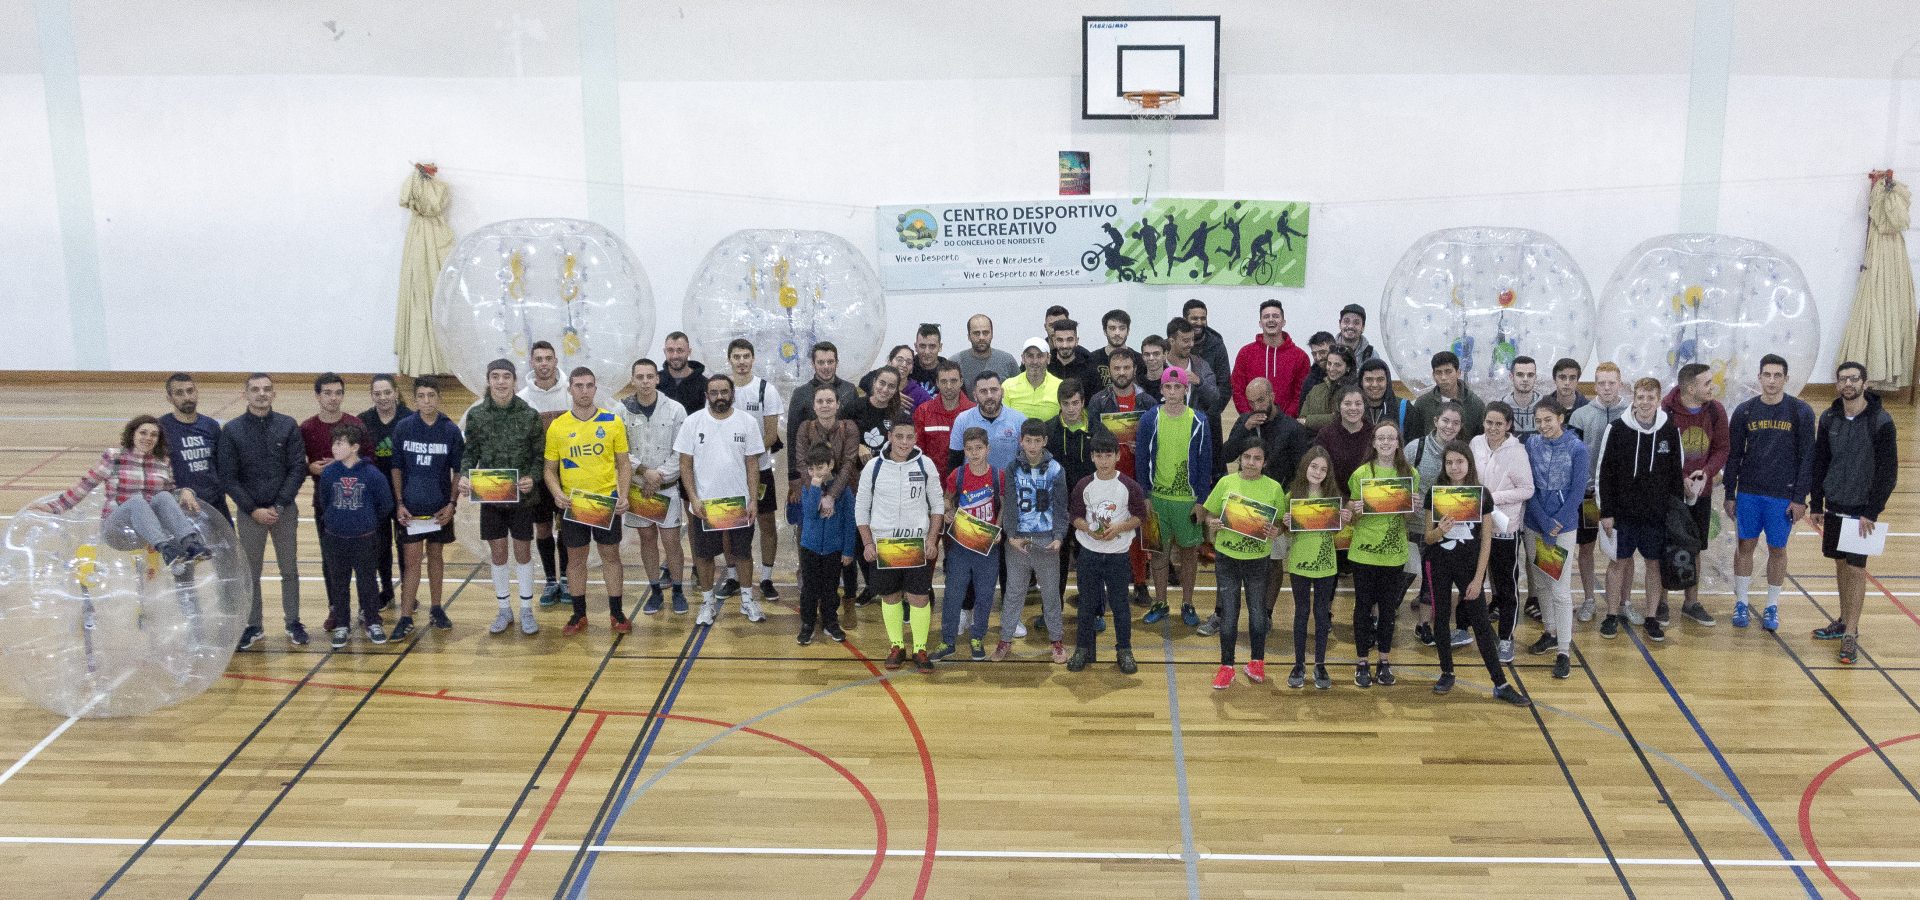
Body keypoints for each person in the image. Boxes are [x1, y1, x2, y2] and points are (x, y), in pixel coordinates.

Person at [1424, 440, 1531, 706]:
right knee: (1440, 620)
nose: (1454, 467)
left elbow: (1486, 541)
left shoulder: (1481, 494)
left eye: (1459, 461)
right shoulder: (1435, 494)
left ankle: (1500, 683)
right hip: (1439, 564)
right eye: (1449, 462)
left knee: (1481, 623)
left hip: (1469, 568)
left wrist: (1478, 578)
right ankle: (1447, 672)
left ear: (1469, 463)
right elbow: (1428, 537)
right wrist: (1440, 531)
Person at [1808, 361, 1899, 665]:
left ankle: (1851, 633)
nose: (1848, 384)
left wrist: (1872, 511)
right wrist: (1817, 503)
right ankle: (1844, 620)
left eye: (1854, 379)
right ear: (1837, 384)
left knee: (1857, 569)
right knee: (1840, 563)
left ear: (1865, 383)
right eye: (1843, 379)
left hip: (1863, 511)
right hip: (1835, 504)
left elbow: (1888, 473)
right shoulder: (1829, 417)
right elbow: (1820, 462)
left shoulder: (1881, 422)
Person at [36, 415, 212, 570]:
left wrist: (185, 492)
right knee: (137, 501)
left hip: (146, 531)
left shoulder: (162, 461)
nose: (148, 438)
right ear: (133, 434)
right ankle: (166, 549)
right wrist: (55, 507)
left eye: (153, 435)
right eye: (143, 433)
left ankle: (191, 544)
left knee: (164, 496)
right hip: (117, 528)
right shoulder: (114, 457)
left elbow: (168, 497)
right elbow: (86, 484)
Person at [1723, 354, 1816, 631]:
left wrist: (1800, 498)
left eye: (1777, 375)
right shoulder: (1745, 411)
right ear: (1759, 377)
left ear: (1786, 379)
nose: (1772, 381)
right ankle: (1741, 602)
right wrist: (1730, 492)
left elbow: (1807, 458)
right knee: (1745, 547)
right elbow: (1734, 455)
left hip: (1782, 496)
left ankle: (1772, 606)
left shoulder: (1800, 412)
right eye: (1767, 375)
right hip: (1749, 492)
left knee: (1777, 549)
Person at [218, 374, 308, 649]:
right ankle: (254, 625)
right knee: (251, 572)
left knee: (289, 569)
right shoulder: (232, 430)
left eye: (267, 389)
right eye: (255, 389)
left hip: (284, 511)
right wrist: (253, 509)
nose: (261, 394)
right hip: (250, 514)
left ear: (274, 394)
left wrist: (279, 505)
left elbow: (297, 468)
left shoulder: (287, 425)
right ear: (245, 394)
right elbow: (229, 476)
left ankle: (293, 622)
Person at [544, 367, 634, 636]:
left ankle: (617, 613)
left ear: (595, 388)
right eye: (579, 386)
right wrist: (557, 493)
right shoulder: (558, 426)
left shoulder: (612, 421)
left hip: (606, 502)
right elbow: (549, 470)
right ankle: (578, 614)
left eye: (589, 385)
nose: (584, 391)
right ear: (570, 389)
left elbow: (624, 464)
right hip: (574, 505)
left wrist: (623, 495)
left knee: (611, 557)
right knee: (575, 560)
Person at [1595, 377, 1684, 643]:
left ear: (1659, 400)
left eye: (1650, 398)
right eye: (1641, 397)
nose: (1645, 403)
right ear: (1634, 399)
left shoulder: (1670, 430)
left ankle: (1651, 617)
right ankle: (1611, 615)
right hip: (1622, 514)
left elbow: (1676, 475)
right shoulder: (1617, 428)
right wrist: (1606, 511)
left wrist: (1675, 515)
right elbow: (1604, 472)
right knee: (1617, 563)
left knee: (1654, 565)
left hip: (1657, 516)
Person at [460, 359, 545, 636]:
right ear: (488, 380)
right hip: (491, 496)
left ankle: (526, 609)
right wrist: (465, 475)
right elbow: (470, 452)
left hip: (521, 498)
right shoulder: (477, 415)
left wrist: (533, 477)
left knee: (522, 553)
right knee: (497, 554)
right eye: (495, 376)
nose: (500, 381)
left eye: (506, 376)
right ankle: (504, 609)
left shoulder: (529, 414)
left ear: (514, 381)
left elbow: (539, 456)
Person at [855, 419, 945, 674]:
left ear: (916, 438)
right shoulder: (873, 467)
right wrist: (867, 542)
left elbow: (938, 506)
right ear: (890, 437)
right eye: (899, 436)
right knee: (890, 596)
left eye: (909, 437)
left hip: (916, 544)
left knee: (919, 597)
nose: (904, 442)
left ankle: (920, 648)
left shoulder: (925, 465)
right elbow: (861, 508)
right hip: (885, 545)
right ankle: (896, 646)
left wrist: (931, 540)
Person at [1198, 436, 1284, 690]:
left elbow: (1281, 522)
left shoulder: (1274, 488)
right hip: (1227, 559)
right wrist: (1212, 522)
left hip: (1258, 560)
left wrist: (1277, 530)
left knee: (1258, 612)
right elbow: (1209, 513)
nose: (1251, 462)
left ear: (1265, 462)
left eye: (1257, 458)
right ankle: (1227, 666)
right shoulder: (1226, 482)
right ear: (1240, 458)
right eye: (1247, 457)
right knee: (1229, 613)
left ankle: (1257, 662)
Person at [677, 374, 763, 628]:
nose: (719, 397)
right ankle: (707, 603)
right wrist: (693, 498)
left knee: (743, 553)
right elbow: (685, 465)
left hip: (738, 503)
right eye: (714, 393)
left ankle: (747, 600)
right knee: (704, 556)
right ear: (707, 396)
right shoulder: (692, 422)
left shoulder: (747, 422)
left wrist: (753, 500)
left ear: (732, 394)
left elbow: (752, 464)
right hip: (705, 505)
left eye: (724, 392)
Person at [389, 376, 464, 640]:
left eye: (431, 395)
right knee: (411, 562)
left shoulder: (450, 430)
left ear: (439, 397)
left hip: (439, 509)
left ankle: (436, 608)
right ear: (415, 399)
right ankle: (405, 616)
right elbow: (396, 467)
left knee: (436, 557)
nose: (427, 401)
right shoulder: (404, 428)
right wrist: (400, 503)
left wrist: (452, 504)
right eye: (421, 396)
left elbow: (458, 471)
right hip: (411, 509)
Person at [1137, 366, 1212, 628]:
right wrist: (1145, 494)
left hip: (1187, 501)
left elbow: (1205, 463)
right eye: (1167, 387)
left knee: (1189, 554)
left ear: (1185, 389)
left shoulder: (1199, 421)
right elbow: (1142, 459)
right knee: (1158, 553)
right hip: (1156, 499)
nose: (1172, 392)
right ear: (1161, 389)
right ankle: (1160, 602)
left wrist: (1201, 501)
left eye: (1177, 387)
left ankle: (1187, 603)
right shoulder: (1150, 419)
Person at [1344, 420, 1417, 687]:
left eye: (1391, 438)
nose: (1386, 442)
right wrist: (1354, 511)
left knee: (1388, 609)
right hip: (1364, 552)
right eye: (1381, 438)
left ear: (1398, 443)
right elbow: (1351, 517)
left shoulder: (1410, 474)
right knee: (1363, 607)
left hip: (1394, 553)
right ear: (1373, 443)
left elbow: (1409, 517)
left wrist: (1412, 507)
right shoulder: (1361, 474)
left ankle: (1384, 661)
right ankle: (1362, 661)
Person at [1067, 434, 1146, 674]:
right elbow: (1075, 516)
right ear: (1092, 457)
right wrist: (1088, 529)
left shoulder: (1129, 486)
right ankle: (1082, 649)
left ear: (1118, 456)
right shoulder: (1084, 485)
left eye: (1108, 455)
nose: (1104, 461)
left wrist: (1119, 528)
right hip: (1089, 554)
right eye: (1099, 456)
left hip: (1117, 556)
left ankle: (1124, 650)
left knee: (1120, 605)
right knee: (1086, 605)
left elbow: (1139, 516)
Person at [1660, 362, 1730, 627]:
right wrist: (1680, 480)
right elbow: (1660, 452)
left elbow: (1722, 448)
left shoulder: (1716, 411)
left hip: (1701, 490)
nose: (1713, 387)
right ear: (1690, 388)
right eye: (1707, 383)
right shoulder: (1665, 411)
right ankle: (1661, 602)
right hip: (1670, 492)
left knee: (1696, 545)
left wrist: (1706, 473)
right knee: (1666, 545)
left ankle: (1691, 602)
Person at [312, 423, 394, 648]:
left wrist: (366, 520)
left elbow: (385, 504)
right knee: (339, 583)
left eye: (340, 443)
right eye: (334, 443)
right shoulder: (329, 473)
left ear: (355, 447)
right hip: (335, 538)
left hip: (364, 538)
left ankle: (372, 622)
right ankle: (342, 625)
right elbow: (324, 500)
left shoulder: (372, 474)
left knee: (367, 582)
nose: (334, 448)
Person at [620, 358, 690, 617]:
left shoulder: (675, 410)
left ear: (658, 378)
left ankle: (678, 590)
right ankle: (655, 591)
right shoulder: (621, 410)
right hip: (639, 489)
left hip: (666, 487)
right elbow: (621, 450)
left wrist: (657, 476)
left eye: (650, 376)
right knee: (647, 539)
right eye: (640, 377)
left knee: (671, 541)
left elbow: (681, 451)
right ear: (633, 380)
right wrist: (643, 472)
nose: (645, 382)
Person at [1524, 399, 1588, 678]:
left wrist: (1556, 524)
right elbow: (1529, 487)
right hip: (1535, 524)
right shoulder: (1531, 444)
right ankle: (1549, 632)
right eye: (1538, 421)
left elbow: (1577, 491)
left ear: (1560, 418)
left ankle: (1564, 650)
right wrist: (1543, 521)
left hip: (1562, 528)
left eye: (1548, 419)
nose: (1543, 425)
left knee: (1560, 589)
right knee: (1541, 582)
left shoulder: (1577, 448)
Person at [999, 418, 1069, 663]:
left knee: (1051, 595)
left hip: (1046, 540)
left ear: (1045, 441)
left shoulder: (1056, 469)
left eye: (1037, 441)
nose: (1032, 446)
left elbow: (1061, 506)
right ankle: (1005, 640)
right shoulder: (1012, 468)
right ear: (1021, 441)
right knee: (1013, 593)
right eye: (1028, 440)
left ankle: (1057, 641)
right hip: (1018, 541)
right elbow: (1009, 504)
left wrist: (1059, 536)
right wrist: (1011, 535)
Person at [723, 339, 787, 602]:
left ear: (753, 359)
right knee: (729, 524)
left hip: (759, 469)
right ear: (729, 360)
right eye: (736, 356)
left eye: (746, 356)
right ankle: (732, 577)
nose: (741, 361)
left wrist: (747, 457)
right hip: (728, 472)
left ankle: (767, 578)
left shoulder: (765, 390)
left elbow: (771, 435)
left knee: (766, 522)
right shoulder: (722, 390)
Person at [1470, 402, 1534, 661]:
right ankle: (1464, 628)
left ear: (1508, 425)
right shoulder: (1476, 443)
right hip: (1475, 526)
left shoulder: (1518, 452)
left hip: (1504, 527)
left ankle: (1506, 638)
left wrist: (1491, 498)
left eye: (1499, 423)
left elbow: (1527, 489)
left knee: (1506, 584)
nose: (1493, 428)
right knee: (1472, 578)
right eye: (1489, 422)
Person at [794, 383, 865, 614]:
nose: (825, 405)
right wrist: (818, 494)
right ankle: (810, 601)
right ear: (814, 405)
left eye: (829, 401)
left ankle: (847, 601)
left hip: (844, 491)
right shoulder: (805, 428)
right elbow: (802, 463)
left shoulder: (849, 427)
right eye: (820, 401)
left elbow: (848, 463)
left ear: (838, 404)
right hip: (813, 491)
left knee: (845, 544)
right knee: (810, 538)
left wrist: (832, 496)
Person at [1406, 401, 1471, 649]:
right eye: (1445, 421)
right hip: (1413, 526)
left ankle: (1423, 624)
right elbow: (1400, 479)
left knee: (1430, 580)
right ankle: (1381, 618)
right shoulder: (1416, 448)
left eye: (1455, 423)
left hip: (1445, 529)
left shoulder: (1463, 452)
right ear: (1435, 421)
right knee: (1403, 576)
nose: (1449, 426)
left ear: (1461, 426)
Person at [1569, 362, 1630, 623]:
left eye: (1611, 383)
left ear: (1620, 384)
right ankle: (1589, 600)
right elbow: (1572, 457)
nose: (1606, 388)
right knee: (1586, 547)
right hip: (1589, 496)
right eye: (1601, 383)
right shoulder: (1580, 416)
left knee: (1625, 550)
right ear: (1594, 386)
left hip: (1622, 498)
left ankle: (1624, 602)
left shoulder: (1631, 414)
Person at [1281, 446, 1347, 689]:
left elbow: (1337, 532)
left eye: (1323, 469)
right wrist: (1286, 523)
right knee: (1301, 613)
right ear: (1305, 466)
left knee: (1321, 615)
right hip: (1299, 562)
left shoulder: (1333, 497)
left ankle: (1320, 664)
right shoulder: (1292, 496)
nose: (1318, 472)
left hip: (1326, 564)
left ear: (1328, 473)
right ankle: (1299, 664)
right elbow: (1287, 532)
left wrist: (1344, 521)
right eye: (1314, 466)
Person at [937, 427, 1005, 661]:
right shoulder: (957, 475)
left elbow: (1004, 505)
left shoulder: (998, 475)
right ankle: (947, 640)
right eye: (969, 449)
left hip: (988, 545)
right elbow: (947, 499)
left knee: (985, 595)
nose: (974, 453)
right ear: (964, 451)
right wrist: (948, 511)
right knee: (953, 594)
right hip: (961, 545)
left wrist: (998, 528)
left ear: (988, 449)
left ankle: (978, 637)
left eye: (979, 448)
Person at [521, 341, 575, 607]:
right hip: (538, 476)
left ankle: (566, 578)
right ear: (532, 362)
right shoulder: (523, 398)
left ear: (556, 361)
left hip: (568, 474)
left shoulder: (570, 393)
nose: (544, 363)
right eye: (539, 359)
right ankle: (550, 579)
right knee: (542, 527)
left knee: (565, 525)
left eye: (548, 358)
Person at [299, 373, 361, 605]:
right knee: (330, 559)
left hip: (357, 503)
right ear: (317, 396)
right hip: (325, 504)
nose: (333, 398)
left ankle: (366, 608)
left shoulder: (355, 425)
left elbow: (369, 461)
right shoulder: (307, 428)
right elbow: (296, 464)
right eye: (327, 393)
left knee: (362, 560)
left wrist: (344, 463)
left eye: (338, 393)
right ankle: (335, 608)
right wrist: (310, 468)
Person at [1046, 378, 1106, 609]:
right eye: (1066, 403)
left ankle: (1095, 610)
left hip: (1089, 507)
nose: (1071, 409)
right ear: (1059, 403)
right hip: (1057, 507)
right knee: (1056, 559)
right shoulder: (1049, 430)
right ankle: (1052, 611)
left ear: (1083, 402)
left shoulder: (1098, 430)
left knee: (1090, 559)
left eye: (1075, 403)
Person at [359, 374, 411, 608]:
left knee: (405, 545)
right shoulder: (363, 421)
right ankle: (387, 590)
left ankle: (409, 592)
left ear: (396, 393)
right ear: (371, 396)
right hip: (375, 496)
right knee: (380, 545)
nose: (383, 398)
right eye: (377, 393)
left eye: (387, 392)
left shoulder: (409, 418)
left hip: (405, 494)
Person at [796, 443, 855, 645]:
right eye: (811, 469)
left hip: (833, 549)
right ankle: (807, 623)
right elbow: (810, 512)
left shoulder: (843, 490)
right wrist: (815, 487)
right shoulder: (808, 488)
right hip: (810, 548)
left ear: (830, 465)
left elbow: (850, 521)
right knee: (809, 589)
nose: (816, 473)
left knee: (831, 589)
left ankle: (830, 621)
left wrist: (848, 550)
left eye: (820, 467)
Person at [784, 341, 861, 481]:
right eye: (821, 362)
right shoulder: (800, 394)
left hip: (844, 469)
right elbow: (792, 436)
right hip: (812, 470)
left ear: (837, 363)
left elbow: (857, 427)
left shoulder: (849, 390)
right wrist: (793, 476)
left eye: (830, 362)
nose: (826, 367)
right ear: (813, 364)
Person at [159, 373, 228, 523]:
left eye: (190, 391)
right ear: (169, 398)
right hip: (179, 505)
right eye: (179, 393)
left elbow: (222, 464)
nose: (187, 397)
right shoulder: (161, 428)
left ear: (196, 393)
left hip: (215, 504)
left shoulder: (211, 425)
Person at [1232, 299, 1311, 416]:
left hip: (1287, 422)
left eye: (1275, 316)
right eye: (1266, 317)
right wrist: (1250, 416)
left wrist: (1284, 421)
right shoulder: (1245, 353)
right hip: (1252, 421)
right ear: (1260, 323)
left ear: (1283, 322)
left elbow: (1300, 394)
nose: (1271, 320)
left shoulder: (1300, 357)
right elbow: (1238, 390)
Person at [950, 371, 1026, 474]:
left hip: (1008, 482)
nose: (989, 396)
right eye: (983, 391)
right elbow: (955, 461)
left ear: (1002, 392)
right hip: (973, 483)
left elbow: (1027, 459)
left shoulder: (1019, 420)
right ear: (975, 395)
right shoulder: (962, 420)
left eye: (994, 390)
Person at [914, 360, 974, 482]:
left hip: (967, 482)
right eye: (944, 381)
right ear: (937, 383)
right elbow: (917, 451)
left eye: (953, 381)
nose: (949, 386)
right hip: (932, 482)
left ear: (961, 382)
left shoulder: (973, 412)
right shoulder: (923, 412)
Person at [1410, 351, 1487, 442]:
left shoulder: (1475, 404)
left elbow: (1481, 441)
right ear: (1433, 375)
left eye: (1448, 372)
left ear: (1458, 373)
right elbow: (1415, 440)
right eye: (1438, 372)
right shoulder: (1423, 403)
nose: (1443, 377)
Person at [1181, 299, 1235, 418]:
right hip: (1176, 417)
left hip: (1209, 419)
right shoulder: (1172, 345)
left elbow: (1224, 387)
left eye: (1203, 318)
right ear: (1184, 320)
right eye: (1194, 318)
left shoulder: (1217, 346)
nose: (1199, 322)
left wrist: (1209, 415)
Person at [1313, 384, 1372, 487]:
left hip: (1368, 492)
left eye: (1358, 404)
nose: (1353, 408)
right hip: (1333, 492)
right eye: (1347, 404)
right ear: (1338, 406)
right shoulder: (1326, 434)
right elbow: (1318, 468)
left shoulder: (1374, 433)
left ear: (1364, 406)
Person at [955, 313, 1019, 398]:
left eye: (985, 333)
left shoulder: (1008, 361)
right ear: (969, 336)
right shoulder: (956, 363)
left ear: (992, 334)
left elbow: (1019, 393)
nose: (981, 337)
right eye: (976, 333)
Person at [1004, 337, 1064, 423]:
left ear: (1048, 358)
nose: (1035, 361)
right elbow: (1004, 421)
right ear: (1023, 358)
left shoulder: (1060, 387)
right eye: (1030, 356)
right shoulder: (1008, 386)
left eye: (1040, 356)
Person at [1298, 345, 1355, 430]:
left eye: (1337, 365)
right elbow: (1301, 419)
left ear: (1348, 368)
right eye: (1329, 363)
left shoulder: (1354, 391)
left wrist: (1308, 421)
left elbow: (1341, 419)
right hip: (1311, 437)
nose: (1331, 368)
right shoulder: (1316, 389)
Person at [657, 330, 710, 421]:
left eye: (680, 350)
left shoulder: (704, 384)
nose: (675, 356)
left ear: (689, 352)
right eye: (670, 350)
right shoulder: (655, 382)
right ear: (664, 352)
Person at [862, 345, 934, 410]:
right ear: (889, 362)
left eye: (909, 362)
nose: (904, 365)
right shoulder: (876, 386)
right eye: (899, 360)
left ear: (912, 369)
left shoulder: (921, 396)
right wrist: (890, 396)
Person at [1047, 318, 1101, 393]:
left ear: (1077, 341)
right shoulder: (1045, 365)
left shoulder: (1089, 366)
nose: (1065, 345)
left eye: (1069, 340)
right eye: (1060, 340)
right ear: (1054, 341)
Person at [1359, 359, 1412, 432]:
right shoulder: (1352, 408)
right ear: (1361, 382)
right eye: (1369, 379)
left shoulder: (1404, 408)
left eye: (1380, 379)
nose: (1374, 385)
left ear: (1387, 382)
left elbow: (1415, 439)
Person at [1502, 356, 1542, 442]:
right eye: (1520, 374)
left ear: (1535, 377)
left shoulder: (1547, 407)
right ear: (1511, 377)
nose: (1525, 379)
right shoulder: (1501, 409)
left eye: (1530, 375)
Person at [1089, 309, 1131, 388]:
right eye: (1112, 328)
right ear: (1105, 331)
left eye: (1122, 328)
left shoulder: (1138, 359)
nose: (1117, 333)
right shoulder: (1092, 359)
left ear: (1128, 331)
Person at [1295, 331, 1336, 410]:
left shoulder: (1348, 374)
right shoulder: (1310, 381)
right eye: (1314, 354)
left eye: (1322, 352)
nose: (1318, 357)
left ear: (1334, 349)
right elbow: (1302, 413)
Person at [1333, 303, 1380, 372]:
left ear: (1363, 327)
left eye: (1356, 323)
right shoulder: (1329, 350)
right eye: (1346, 321)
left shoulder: (1371, 355)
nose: (1351, 326)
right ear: (1340, 324)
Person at [908, 323, 947, 399]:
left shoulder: (949, 371)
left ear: (940, 347)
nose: (927, 352)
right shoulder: (907, 366)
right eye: (922, 346)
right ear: (915, 347)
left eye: (932, 346)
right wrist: (895, 395)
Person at [1138, 335, 1169, 402]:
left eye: (1156, 354)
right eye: (1147, 354)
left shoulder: (1173, 381)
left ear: (1165, 355)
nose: (1151, 358)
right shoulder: (1136, 384)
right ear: (1142, 356)